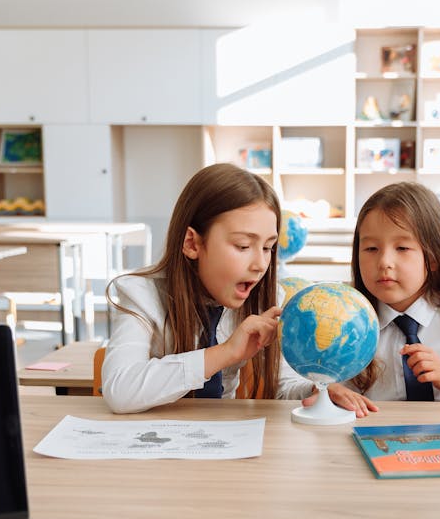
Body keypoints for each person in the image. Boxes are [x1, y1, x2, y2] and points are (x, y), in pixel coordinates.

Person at [294, 181, 440, 412]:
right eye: (371, 249)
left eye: (402, 248)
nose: (385, 262)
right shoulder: (343, 320)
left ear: (433, 257)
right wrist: (325, 391)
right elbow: (307, 388)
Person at [102, 163, 297, 413]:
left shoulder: (266, 300)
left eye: (268, 247)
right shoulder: (142, 295)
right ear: (192, 243)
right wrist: (224, 353)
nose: (260, 265)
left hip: (223, 439)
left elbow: (285, 384)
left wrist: (316, 390)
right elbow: (121, 391)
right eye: (243, 246)